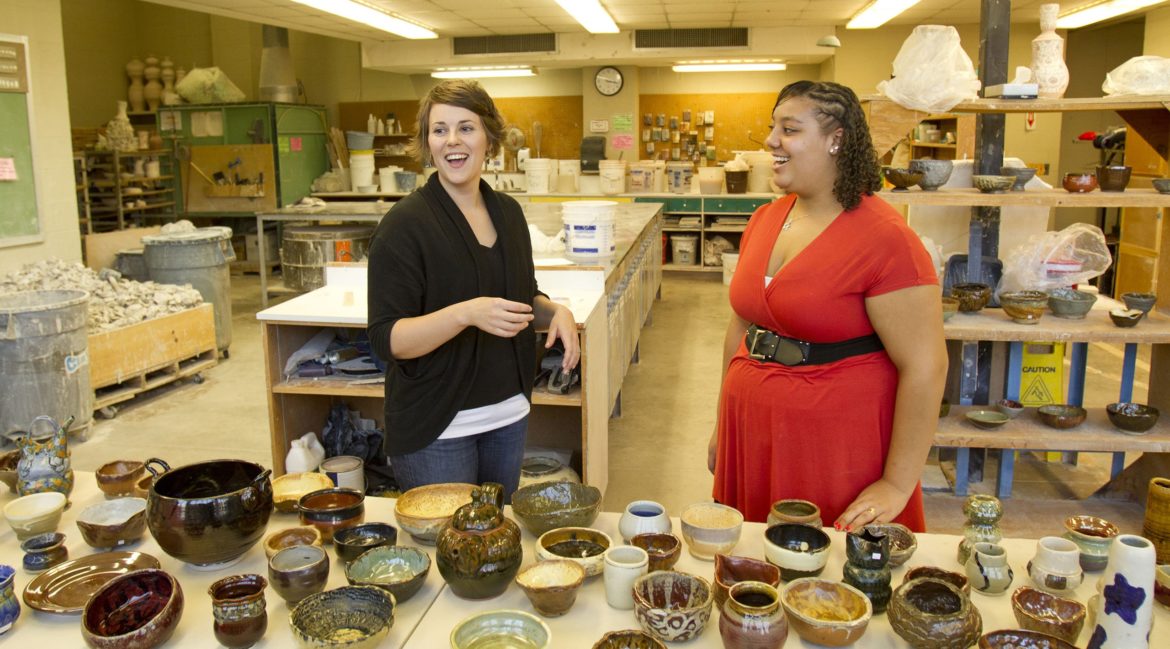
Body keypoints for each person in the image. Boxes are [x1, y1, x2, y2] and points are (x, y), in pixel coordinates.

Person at [707, 80, 947, 533]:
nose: (772, 141)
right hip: (753, 428)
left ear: (836, 139)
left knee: (820, 581)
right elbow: (740, 326)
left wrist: (897, 483)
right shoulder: (765, 218)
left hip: (831, 447)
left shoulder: (885, 239)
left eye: (790, 129)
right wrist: (723, 425)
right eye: (773, 126)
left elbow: (926, 366)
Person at [367, 79, 580, 498]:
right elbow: (387, 339)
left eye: (466, 127)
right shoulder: (405, 226)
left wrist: (557, 313)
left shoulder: (509, 213)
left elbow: (520, 299)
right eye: (439, 129)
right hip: (438, 428)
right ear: (427, 143)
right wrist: (466, 313)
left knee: (496, 546)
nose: (452, 141)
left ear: (488, 138)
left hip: (508, 415)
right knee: (449, 550)